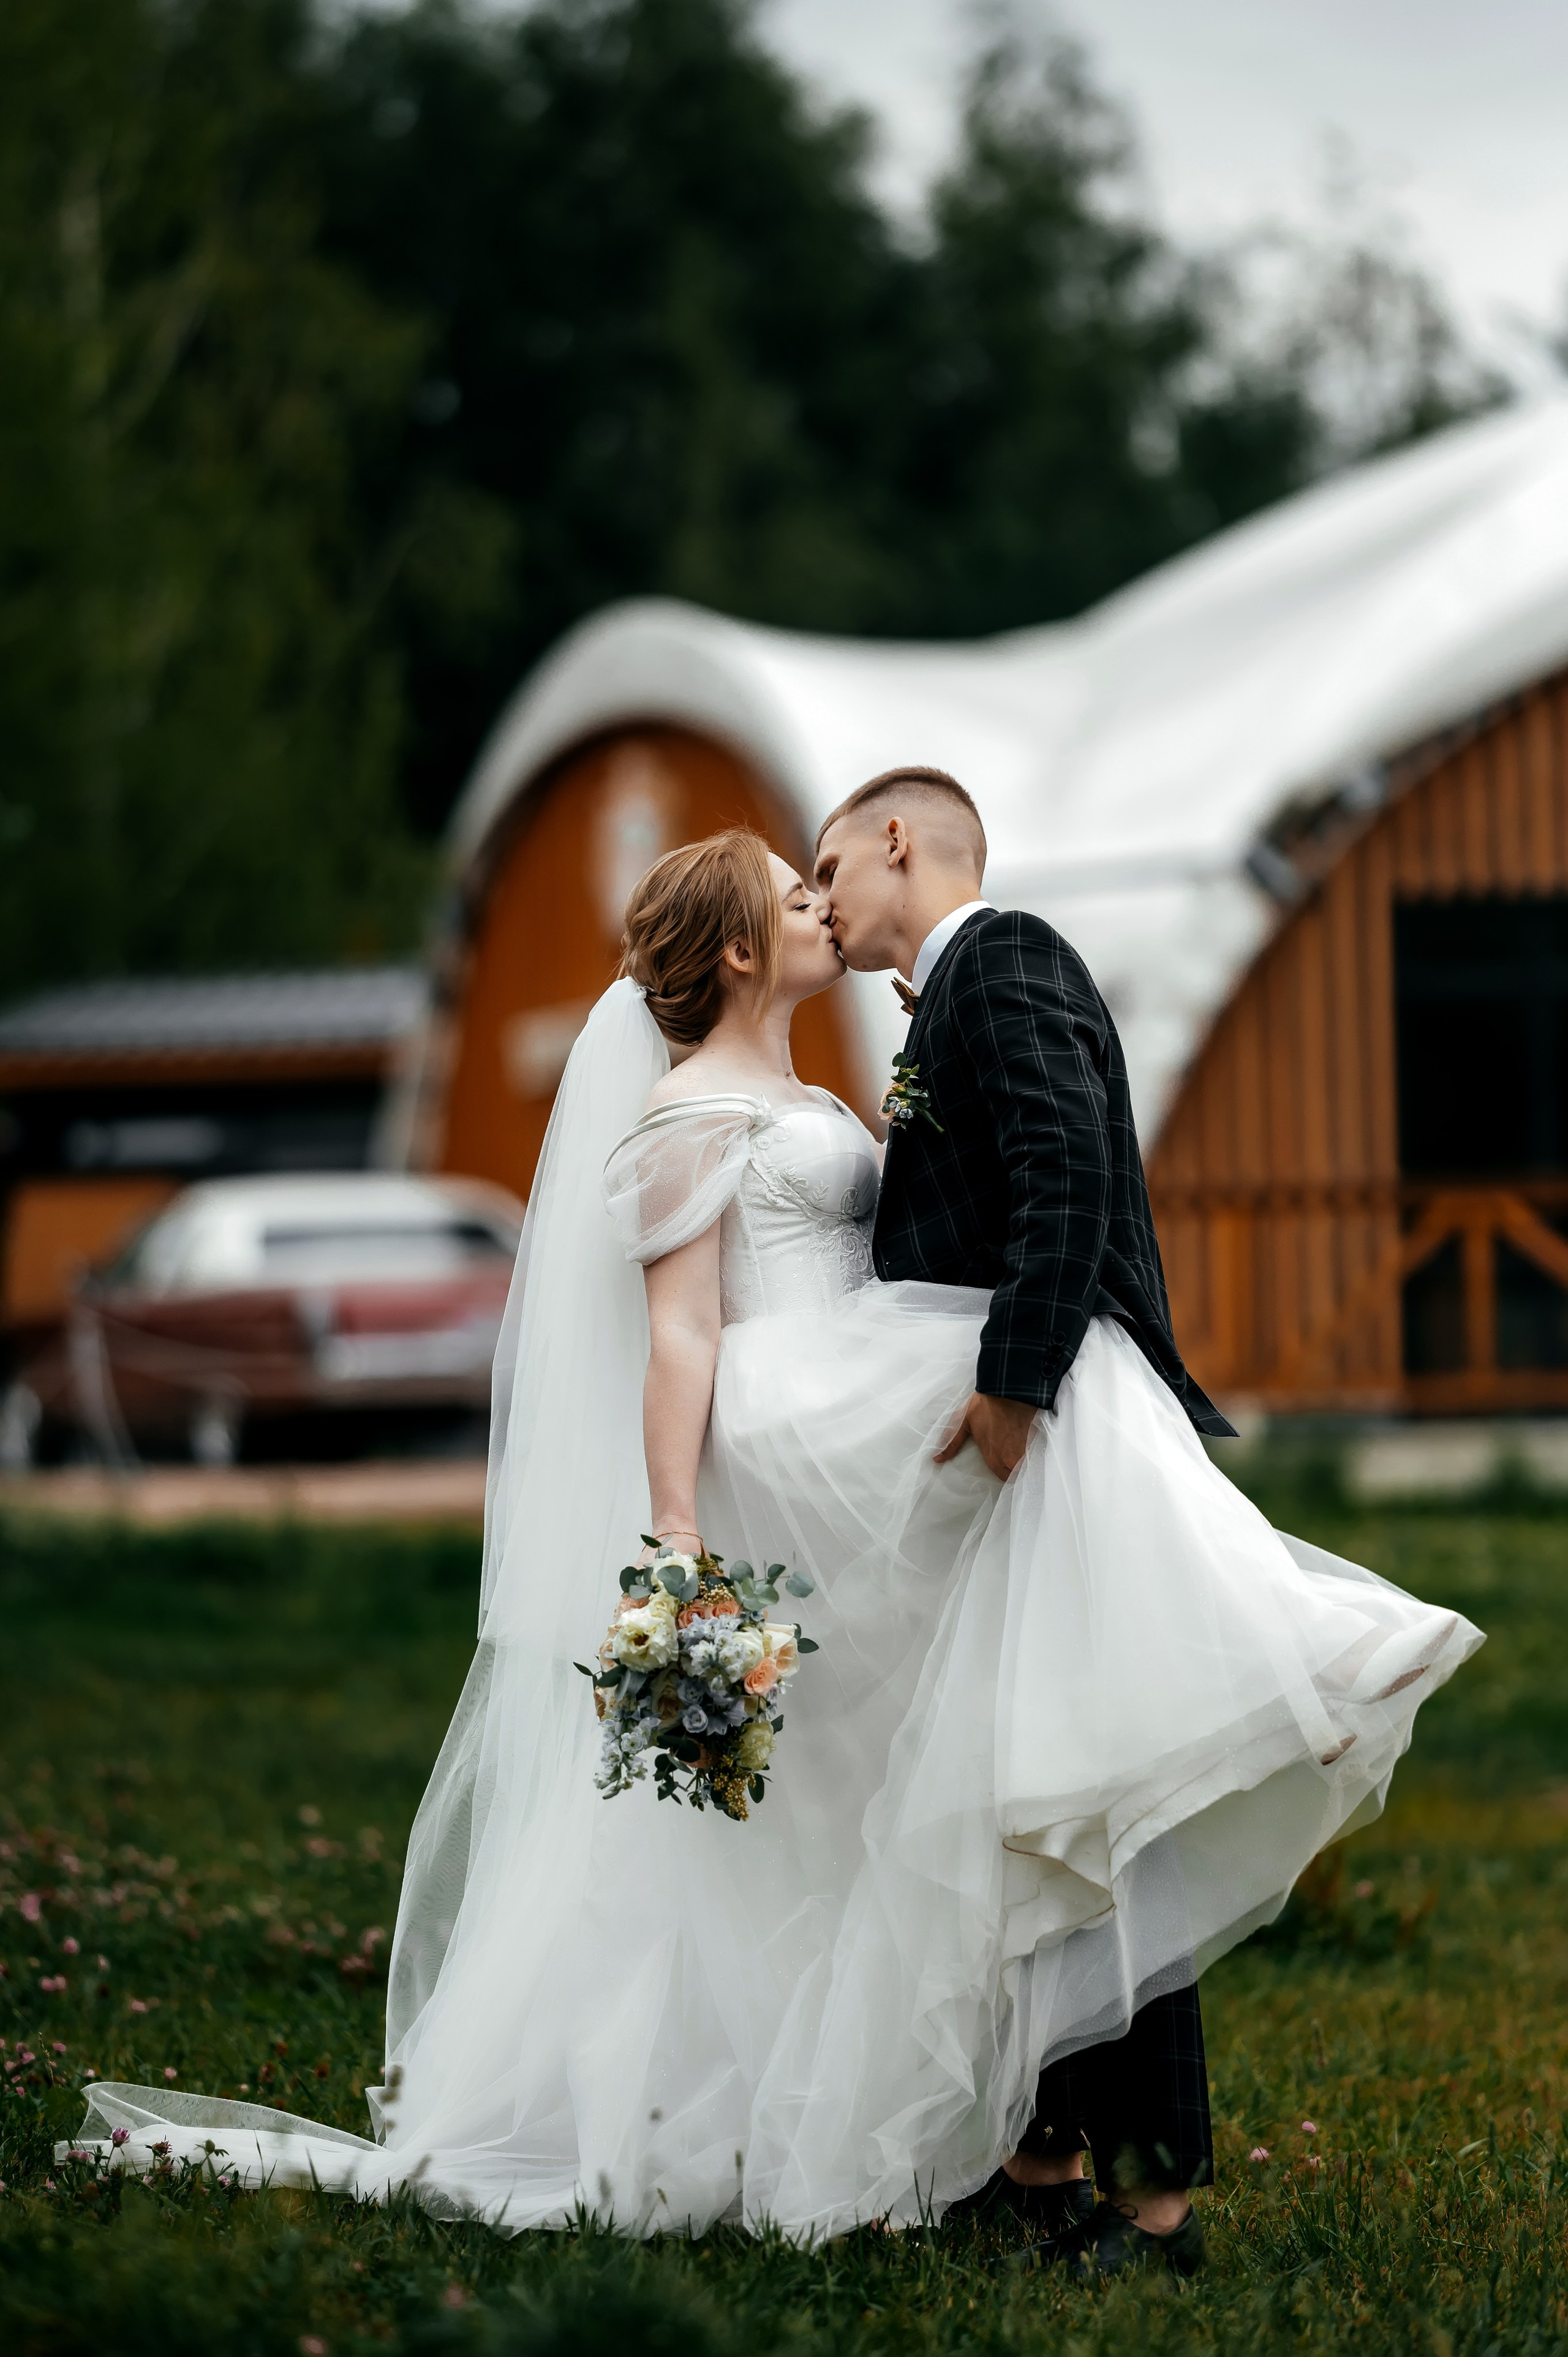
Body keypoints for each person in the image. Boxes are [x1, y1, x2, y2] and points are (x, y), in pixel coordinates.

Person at [62, 815, 1479, 2267]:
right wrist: (673, 1524)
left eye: (824, 881)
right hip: (803, 1431)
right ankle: (1258, 1685)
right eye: (794, 898)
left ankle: (1014, 2120)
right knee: (983, 1729)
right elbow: (680, 1334)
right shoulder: (686, 1113)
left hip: (869, 1401)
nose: (820, 910)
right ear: (740, 947)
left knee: (953, 1764)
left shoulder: (812, 1084)